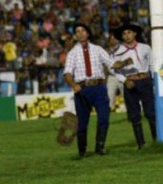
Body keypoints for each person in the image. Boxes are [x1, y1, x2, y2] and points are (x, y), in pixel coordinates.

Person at [64, 22, 126, 157]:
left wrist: (125, 62)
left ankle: (100, 146)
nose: (80, 33)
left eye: (82, 30)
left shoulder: (98, 49)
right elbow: (67, 73)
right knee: (82, 123)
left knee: (104, 118)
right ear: (75, 35)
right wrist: (73, 84)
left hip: (99, 88)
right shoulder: (72, 53)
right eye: (77, 31)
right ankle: (82, 151)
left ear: (88, 33)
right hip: (82, 89)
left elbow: (111, 65)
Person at [112, 23, 156, 149]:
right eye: (124, 33)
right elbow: (115, 70)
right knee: (134, 114)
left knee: (150, 112)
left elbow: (152, 64)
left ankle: (157, 141)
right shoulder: (118, 52)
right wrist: (125, 81)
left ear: (135, 33)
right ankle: (141, 144)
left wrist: (152, 80)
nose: (127, 35)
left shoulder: (145, 48)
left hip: (145, 80)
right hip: (130, 82)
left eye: (129, 32)